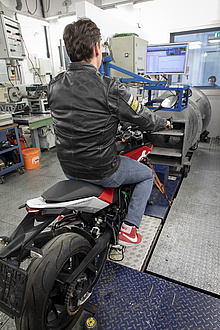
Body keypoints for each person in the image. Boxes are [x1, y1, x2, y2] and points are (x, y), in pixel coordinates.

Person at [47, 18, 170, 247]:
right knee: (145, 175)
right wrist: (163, 123)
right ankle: (129, 229)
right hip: (102, 169)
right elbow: (142, 116)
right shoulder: (110, 87)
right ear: (97, 48)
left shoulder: (54, 85)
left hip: (69, 168)